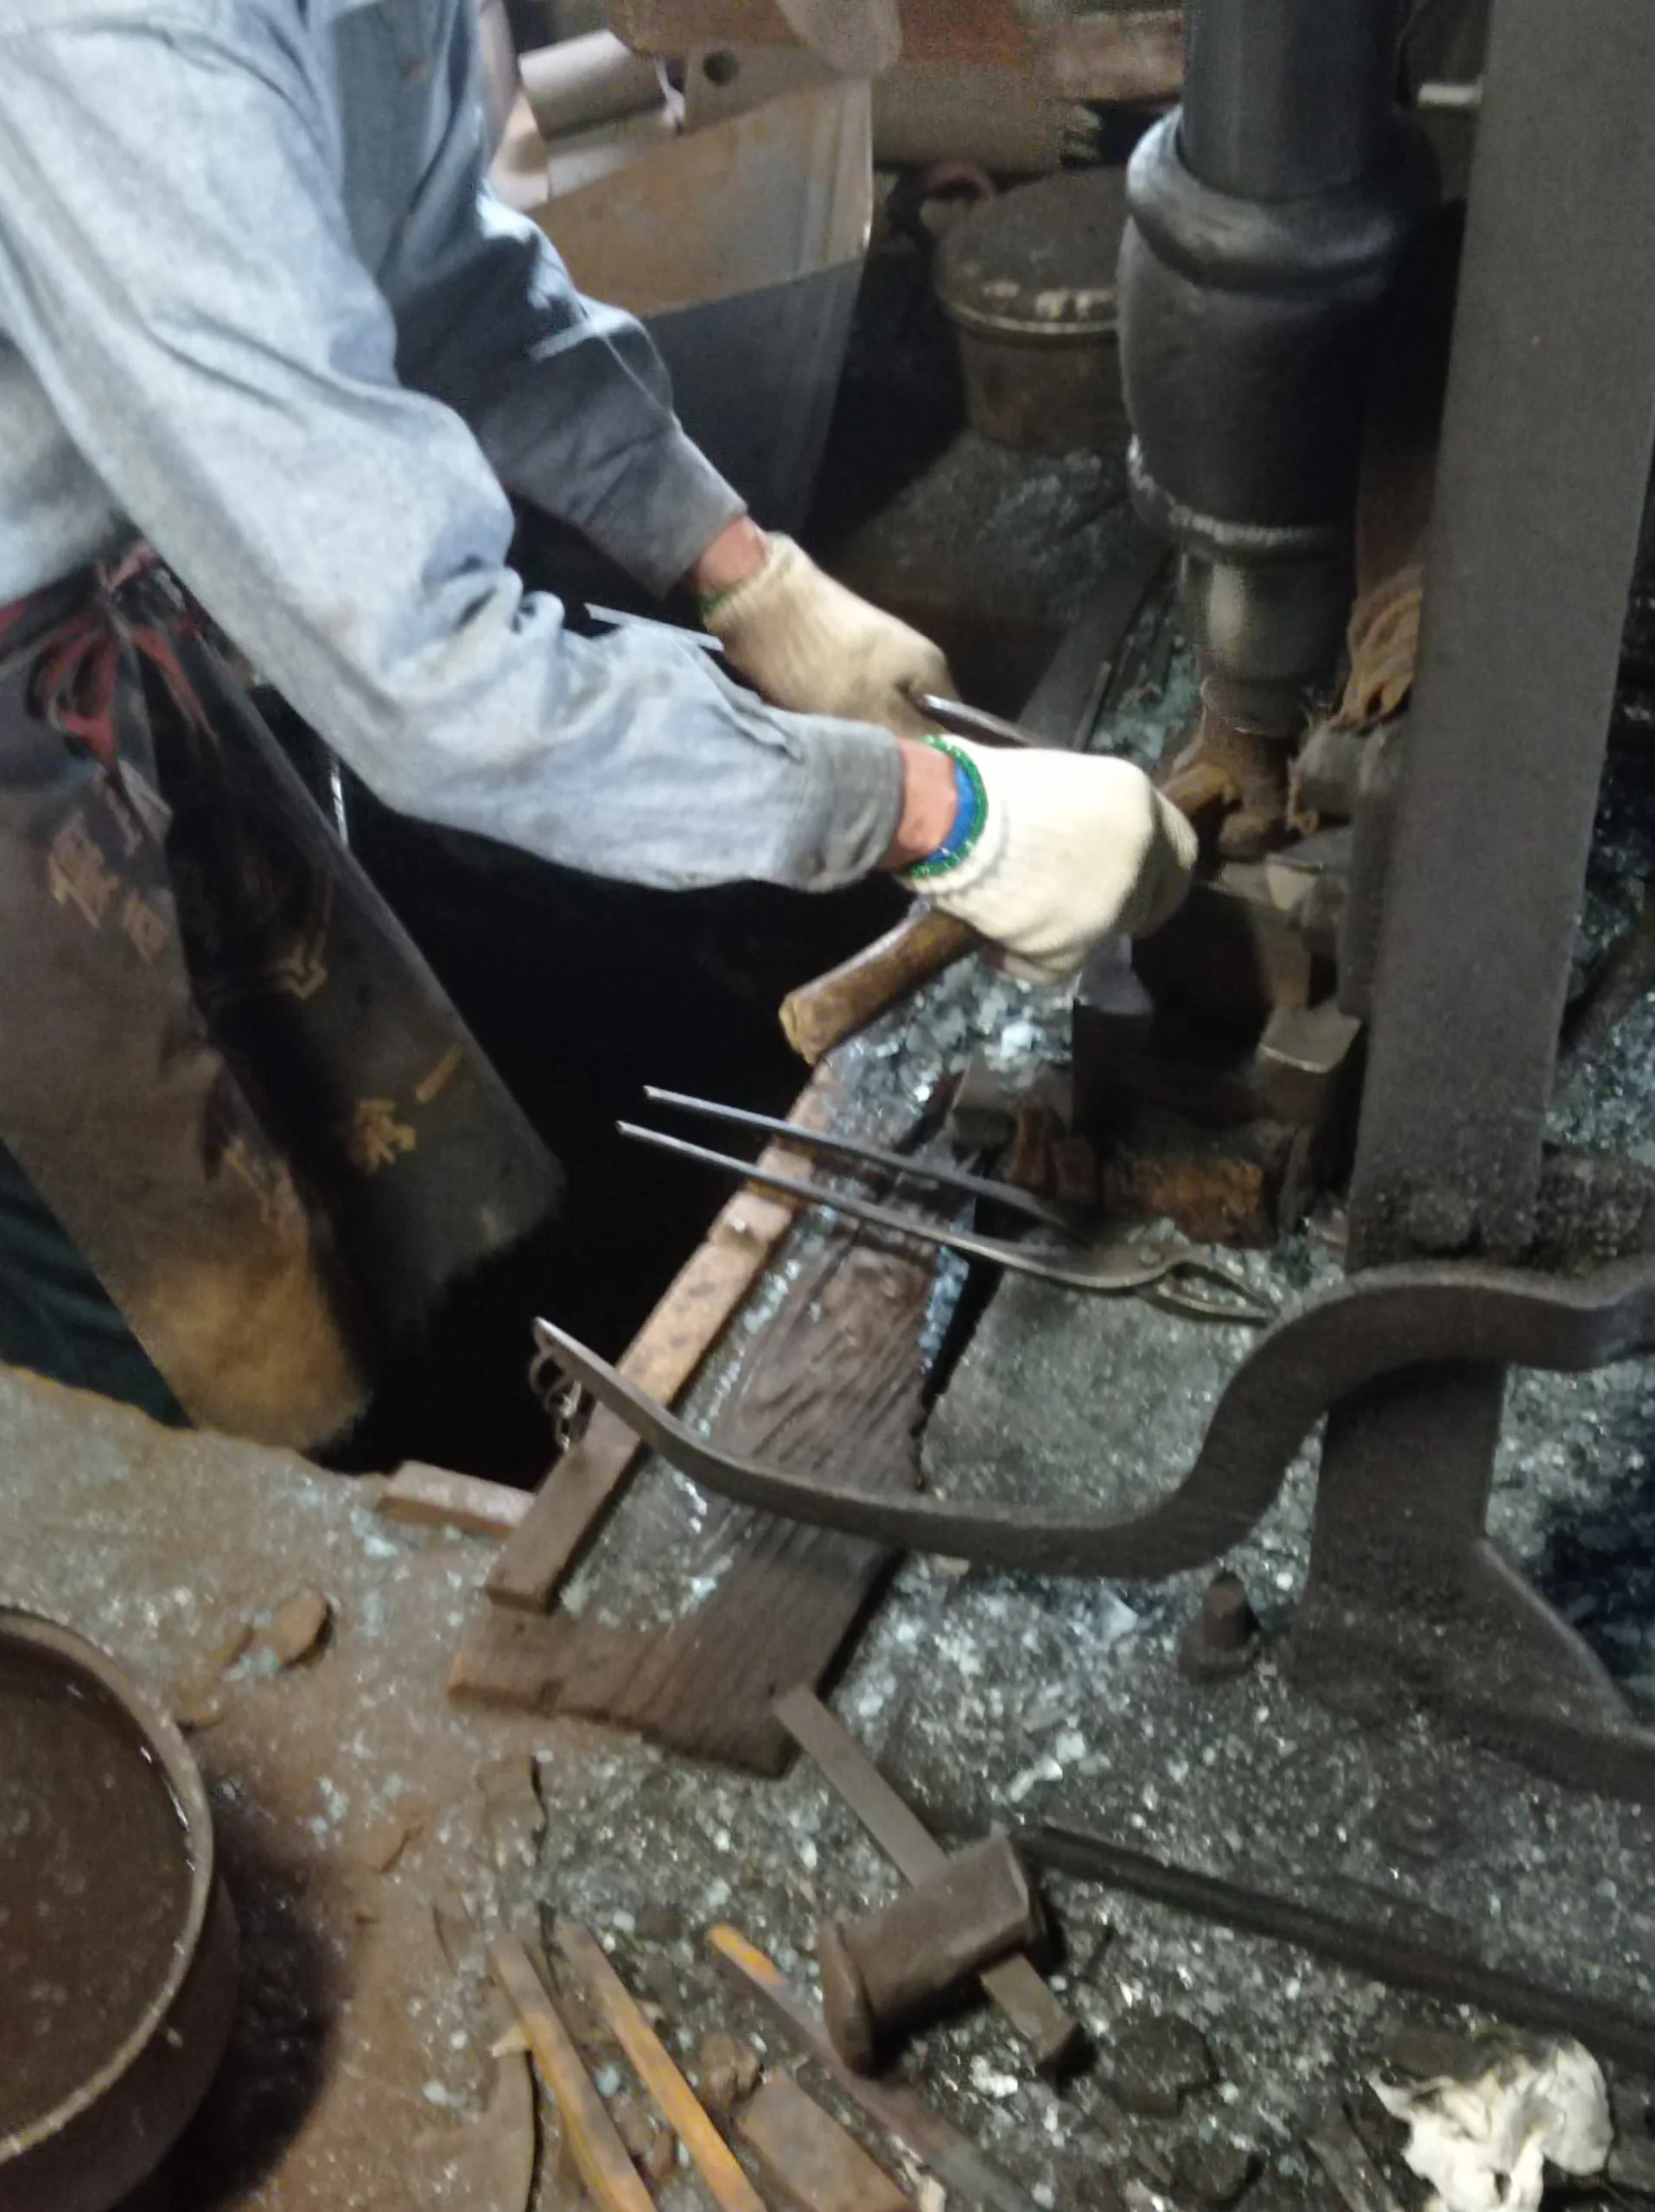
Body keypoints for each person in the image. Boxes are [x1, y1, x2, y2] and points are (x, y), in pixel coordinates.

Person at [0, 0, 1196, 1452]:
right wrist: (938, 817)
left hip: (91, 597)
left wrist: (740, 570)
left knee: (343, 1165)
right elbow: (430, 682)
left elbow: (440, 279)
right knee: (164, 1344)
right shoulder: (122, 39)